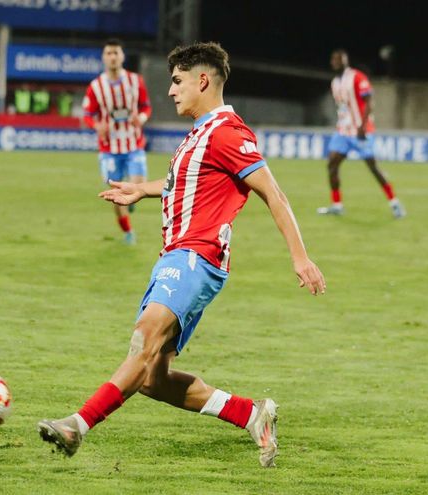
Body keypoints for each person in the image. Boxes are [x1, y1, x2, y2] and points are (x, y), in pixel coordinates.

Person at [37, 42, 326, 468]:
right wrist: (143, 188)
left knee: (144, 340)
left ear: (203, 80)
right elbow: (186, 184)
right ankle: (251, 413)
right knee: (153, 379)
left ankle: (78, 425)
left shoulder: (227, 132)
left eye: (176, 82)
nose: (170, 91)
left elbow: (274, 194)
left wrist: (300, 258)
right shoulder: (201, 133)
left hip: (195, 258)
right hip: (176, 257)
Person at [318, 49, 405, 219]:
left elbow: (369, 102)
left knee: (373, 167)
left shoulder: (357, 77)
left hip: (360, 131)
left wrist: (362, 126)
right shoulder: (335, 82)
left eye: (339, 60)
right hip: (343, 131)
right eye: (333, 60)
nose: (335, 62)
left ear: (345, 61)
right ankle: (337, 205)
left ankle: (394, 203)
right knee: (332, 165)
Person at [82, 38, 152, 245]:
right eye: (108, 53)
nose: (112, 57)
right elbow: (87, 113)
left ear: (122, 56)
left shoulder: (135, 81)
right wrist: (96, 126)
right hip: (109, 149)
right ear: (104, 58)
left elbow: (146, 107)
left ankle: (132, 199)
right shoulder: (96, 86)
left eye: (116, 53)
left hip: (133, 144)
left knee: (138, 185)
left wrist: (140, 119)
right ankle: (128, 232)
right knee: (116, 194)